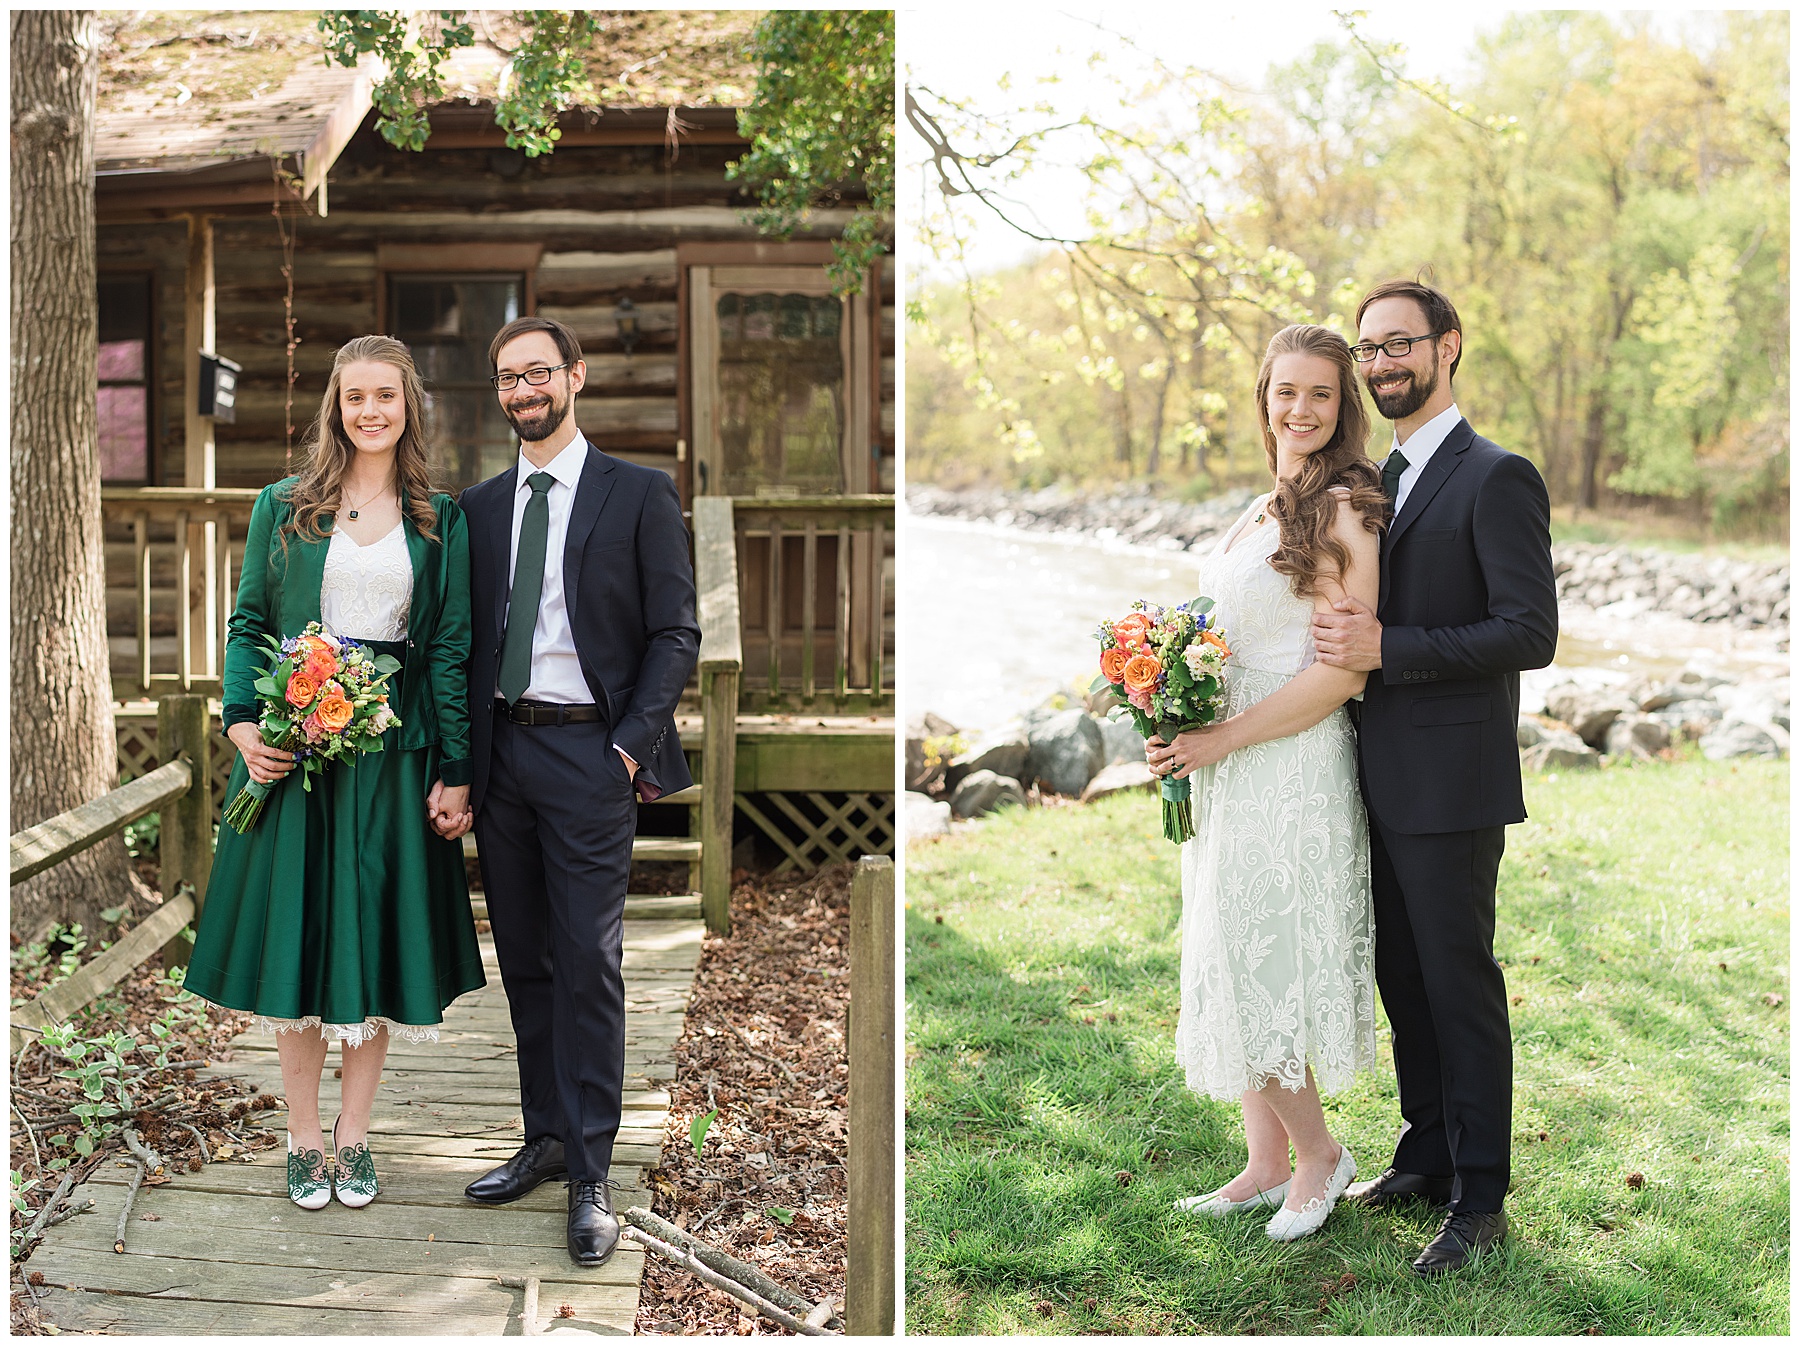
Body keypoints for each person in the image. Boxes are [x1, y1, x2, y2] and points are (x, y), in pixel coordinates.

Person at [186, 335, 486, 1211]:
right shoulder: (283, 506)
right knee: (304, 946)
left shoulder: (441, 517)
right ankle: (304, 1137)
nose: (370, 411)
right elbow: (248, 625)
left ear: (408, 405)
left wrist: (455, 768)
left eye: (385, 396)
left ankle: (356, 1140)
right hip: (298, 751)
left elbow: (451, 649)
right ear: (336, 406)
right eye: (354, 397)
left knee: (372, 947)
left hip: (392, 760)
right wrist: (243, 724)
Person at [1312, 279, 1558, 1275]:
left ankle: (1483, 1195)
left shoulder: (1497, 475)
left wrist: (1389, 646)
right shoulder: (1377, 477)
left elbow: (1528, 631)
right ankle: (1426, 1150)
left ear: (1448, 347)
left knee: (1460, 981)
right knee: (1401, 972)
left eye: (1399, 344)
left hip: (1456, 779)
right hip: (1379, 770)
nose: (1382, 364)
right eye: (1369, 349)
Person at [445, 316, 700, 1267]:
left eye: (539, 373)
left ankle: (593, 1170)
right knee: (528, 961)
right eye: (508, 379)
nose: (524, 392)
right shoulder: (476, 508)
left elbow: (677, 632)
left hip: (593, 755)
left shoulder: (638, 494)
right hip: (504, 757)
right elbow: (461, 647)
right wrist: (461, 766)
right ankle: (545, 1137)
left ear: (575, 377)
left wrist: (631, 749)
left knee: (590, 962)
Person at [1146, 323, 1386, 1242]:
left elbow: (1340, 674)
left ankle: (1322, 1154)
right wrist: (1170, 699)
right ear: (1264, 399)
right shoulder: (1263, 504)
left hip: (1287, 760)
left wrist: (1224, 737)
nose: (1301, 409)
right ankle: (1263, 1162)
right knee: (1229, 947)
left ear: (1341, 406)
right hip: (1226, 762)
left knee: (1263, 960)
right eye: (1285, 391)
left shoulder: (1347, 509)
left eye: (1320, 394)